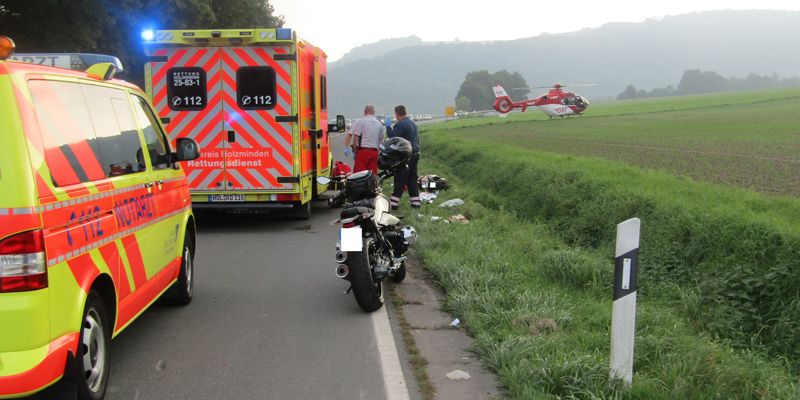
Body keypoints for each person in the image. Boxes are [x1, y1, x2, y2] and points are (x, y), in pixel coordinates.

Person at [387, 104, 420, 209]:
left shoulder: (401, 124)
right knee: (412, 178)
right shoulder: (412, 123)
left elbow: (393, 137)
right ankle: (415, 202)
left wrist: (388, 126)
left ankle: (394, 204)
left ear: (397, 113)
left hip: (406, 156)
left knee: (400, 178)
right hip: (415, 153)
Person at [344, 104, 384, 174]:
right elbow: (381, 140)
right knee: (373, 174)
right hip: (374, 152)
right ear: (374, 112)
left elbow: (355, 137)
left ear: (364, 112)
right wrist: (379, 152)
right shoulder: (379, 124)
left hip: (363, 151)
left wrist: (354, 149)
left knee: (359, 174)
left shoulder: (361, 121)